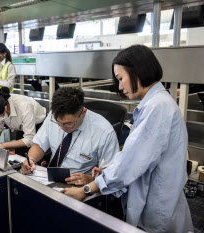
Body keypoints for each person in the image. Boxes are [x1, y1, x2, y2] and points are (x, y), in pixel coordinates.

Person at [63, 45, 193, 233]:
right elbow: (138, 156)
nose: (120, 86)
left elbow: (131, 162)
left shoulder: (158, 107)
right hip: (156, 201)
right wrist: (109, 170)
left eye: (121, 78)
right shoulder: (156, 104)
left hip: (158, 210)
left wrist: (87, 189)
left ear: (137, 71)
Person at [21, 87, 119, 183]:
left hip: (78, 185)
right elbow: (39, 144)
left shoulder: (104, 132)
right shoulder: (53, 116)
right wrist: (31, 159)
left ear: (83, 113)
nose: (62, 127)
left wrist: (91, 179)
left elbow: (112, 173)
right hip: (49, 177)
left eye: (68, 124)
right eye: (58, 122)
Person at [0, 87, 46, 153]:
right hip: (21, 128)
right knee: (20, 154)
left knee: (33, 157)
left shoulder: (24, 107)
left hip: (39, 126)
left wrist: (4, 145)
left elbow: (30, 139)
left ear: (5, 109)